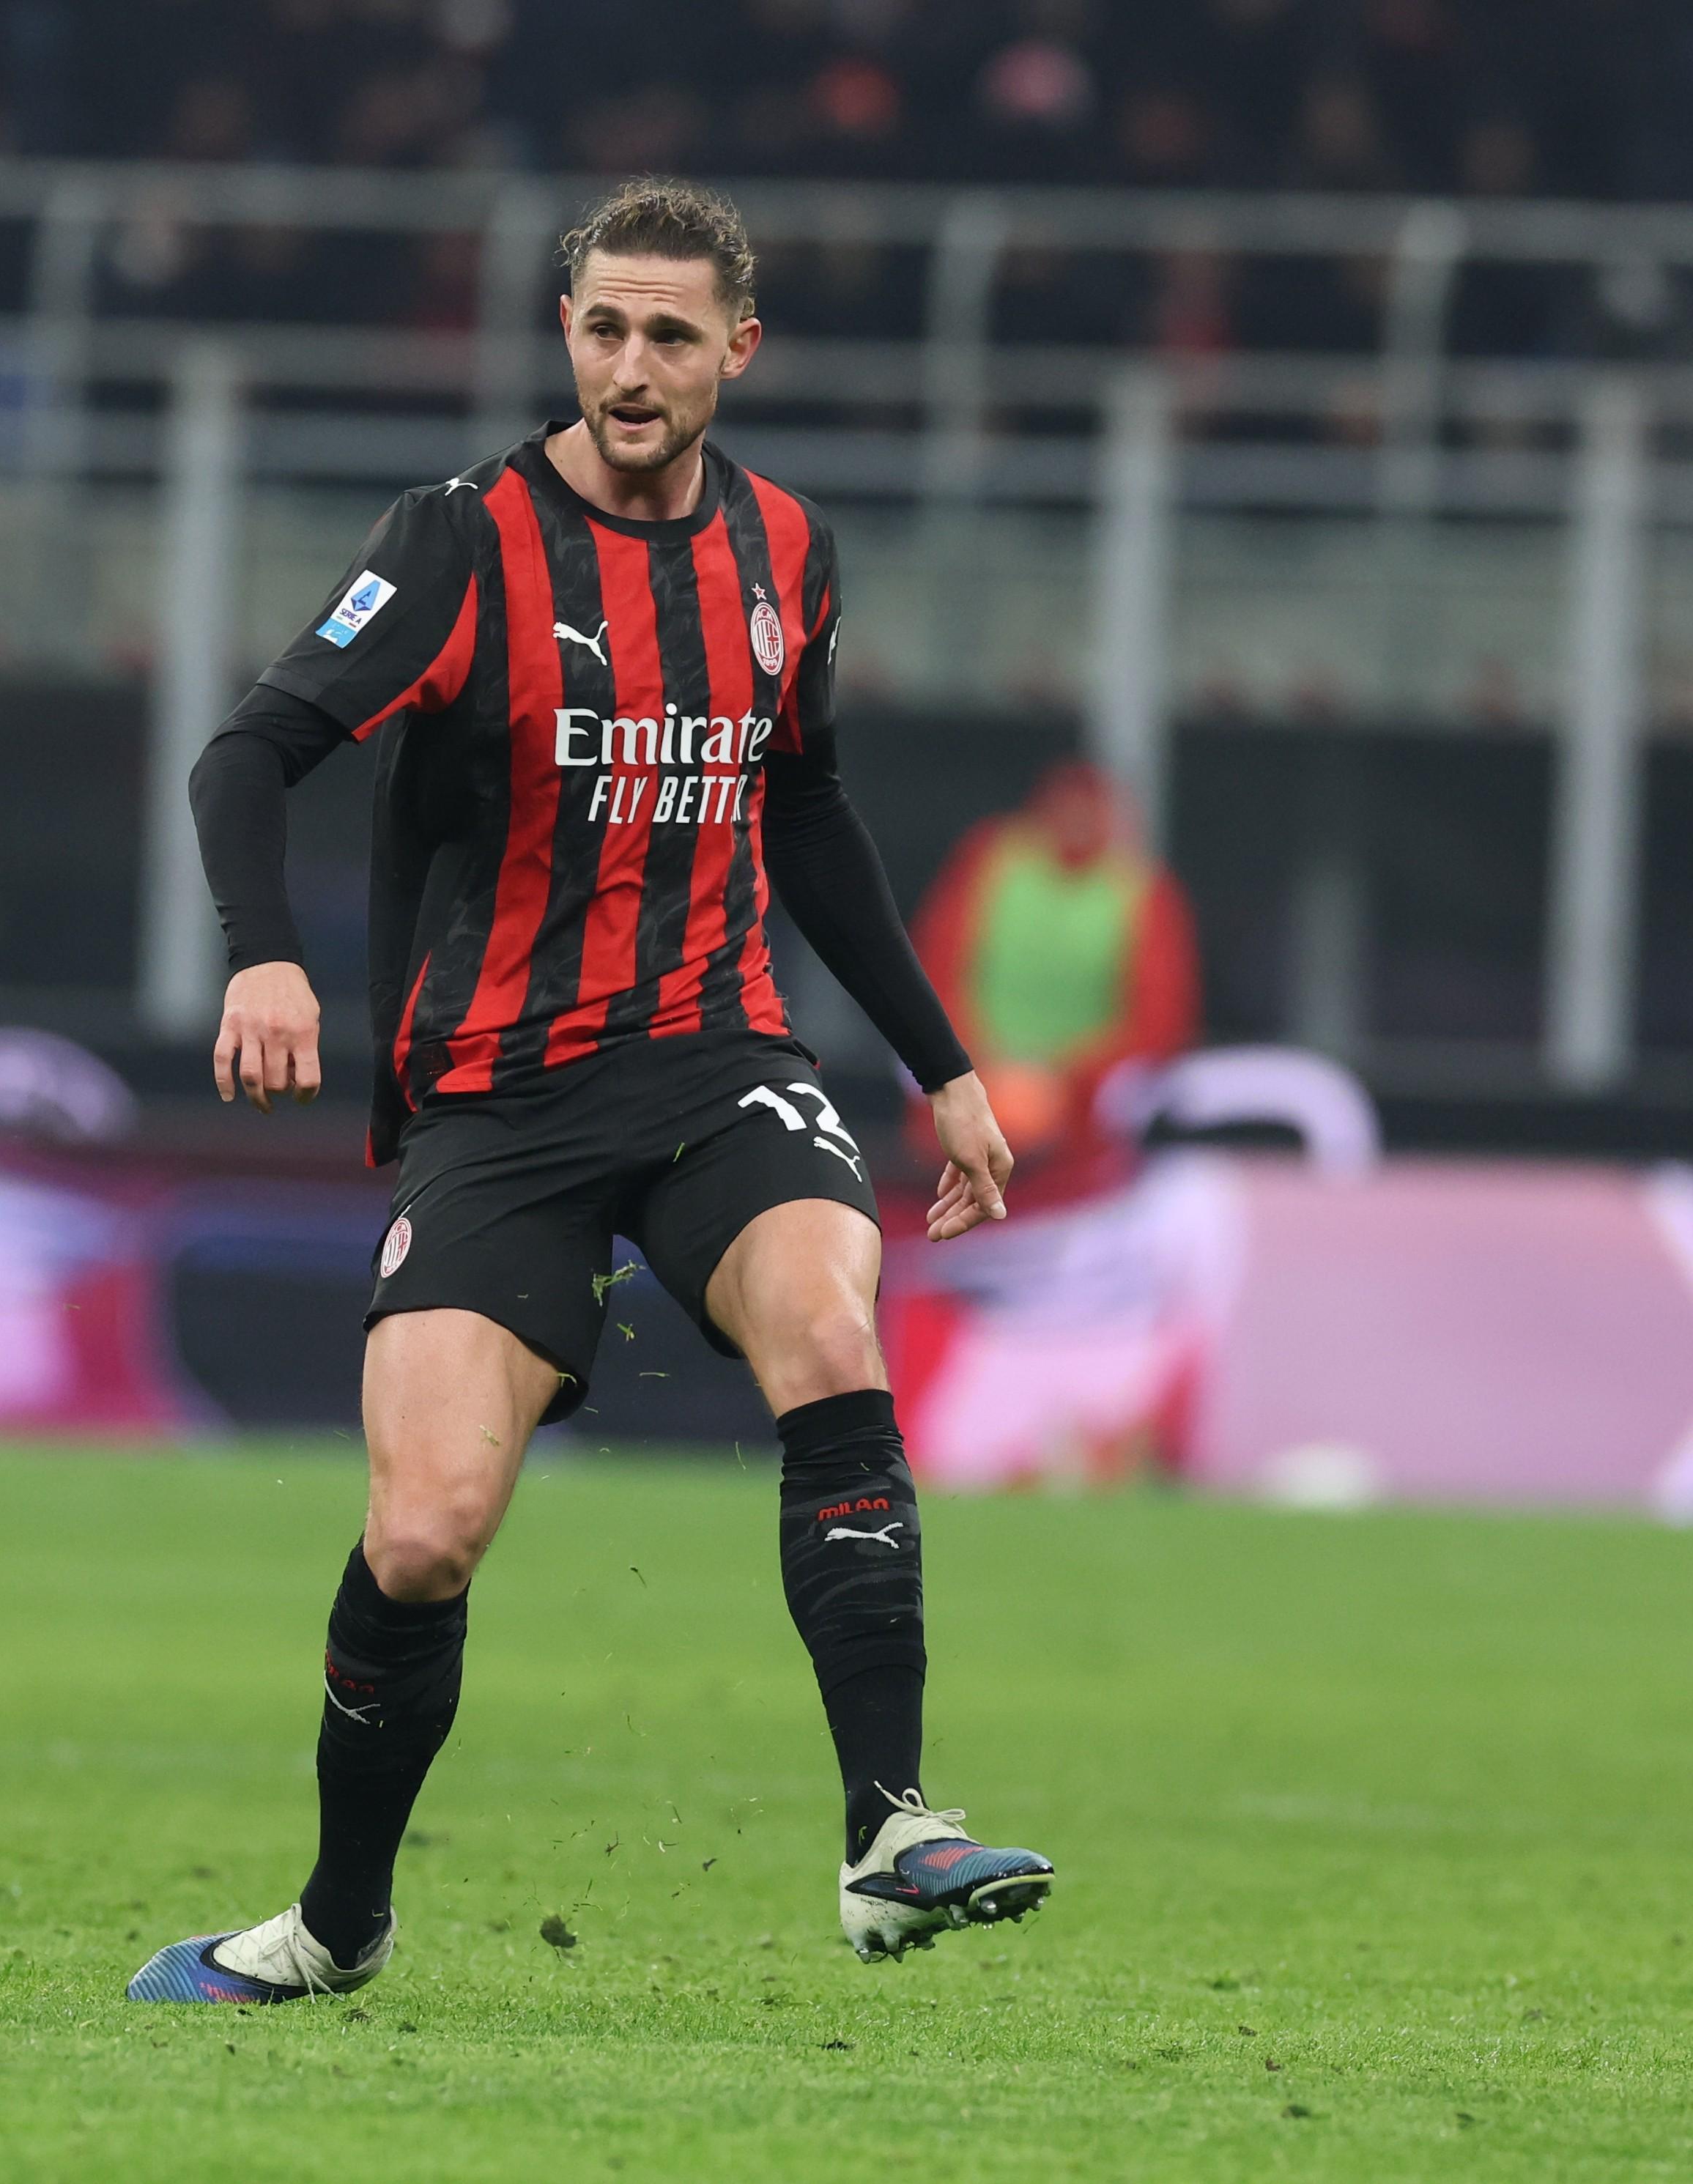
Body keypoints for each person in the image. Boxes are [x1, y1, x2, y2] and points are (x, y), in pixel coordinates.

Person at [130, 178, 1053, 2004]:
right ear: (566, 332)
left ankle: (889, 1827)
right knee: (422, 1532)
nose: (632, 368)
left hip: (717, 1058)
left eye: (670, 336)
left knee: (829, 1321)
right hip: (496, 1099)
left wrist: (942, 1065)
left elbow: (805, 804)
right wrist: (261, 952)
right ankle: (337, 1919)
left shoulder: (787, 550)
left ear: (738, 350)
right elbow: (250, 752)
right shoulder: (459, 541)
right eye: (605, 329)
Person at [910, 759, 1199, 1196]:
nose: (1075, 822)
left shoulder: (1143, 890)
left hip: (1079, 1106)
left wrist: (1065, 1084)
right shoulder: (991, 859)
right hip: (975, 1073)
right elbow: (935, 965)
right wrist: (974, 1064)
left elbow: (1161, 1020)